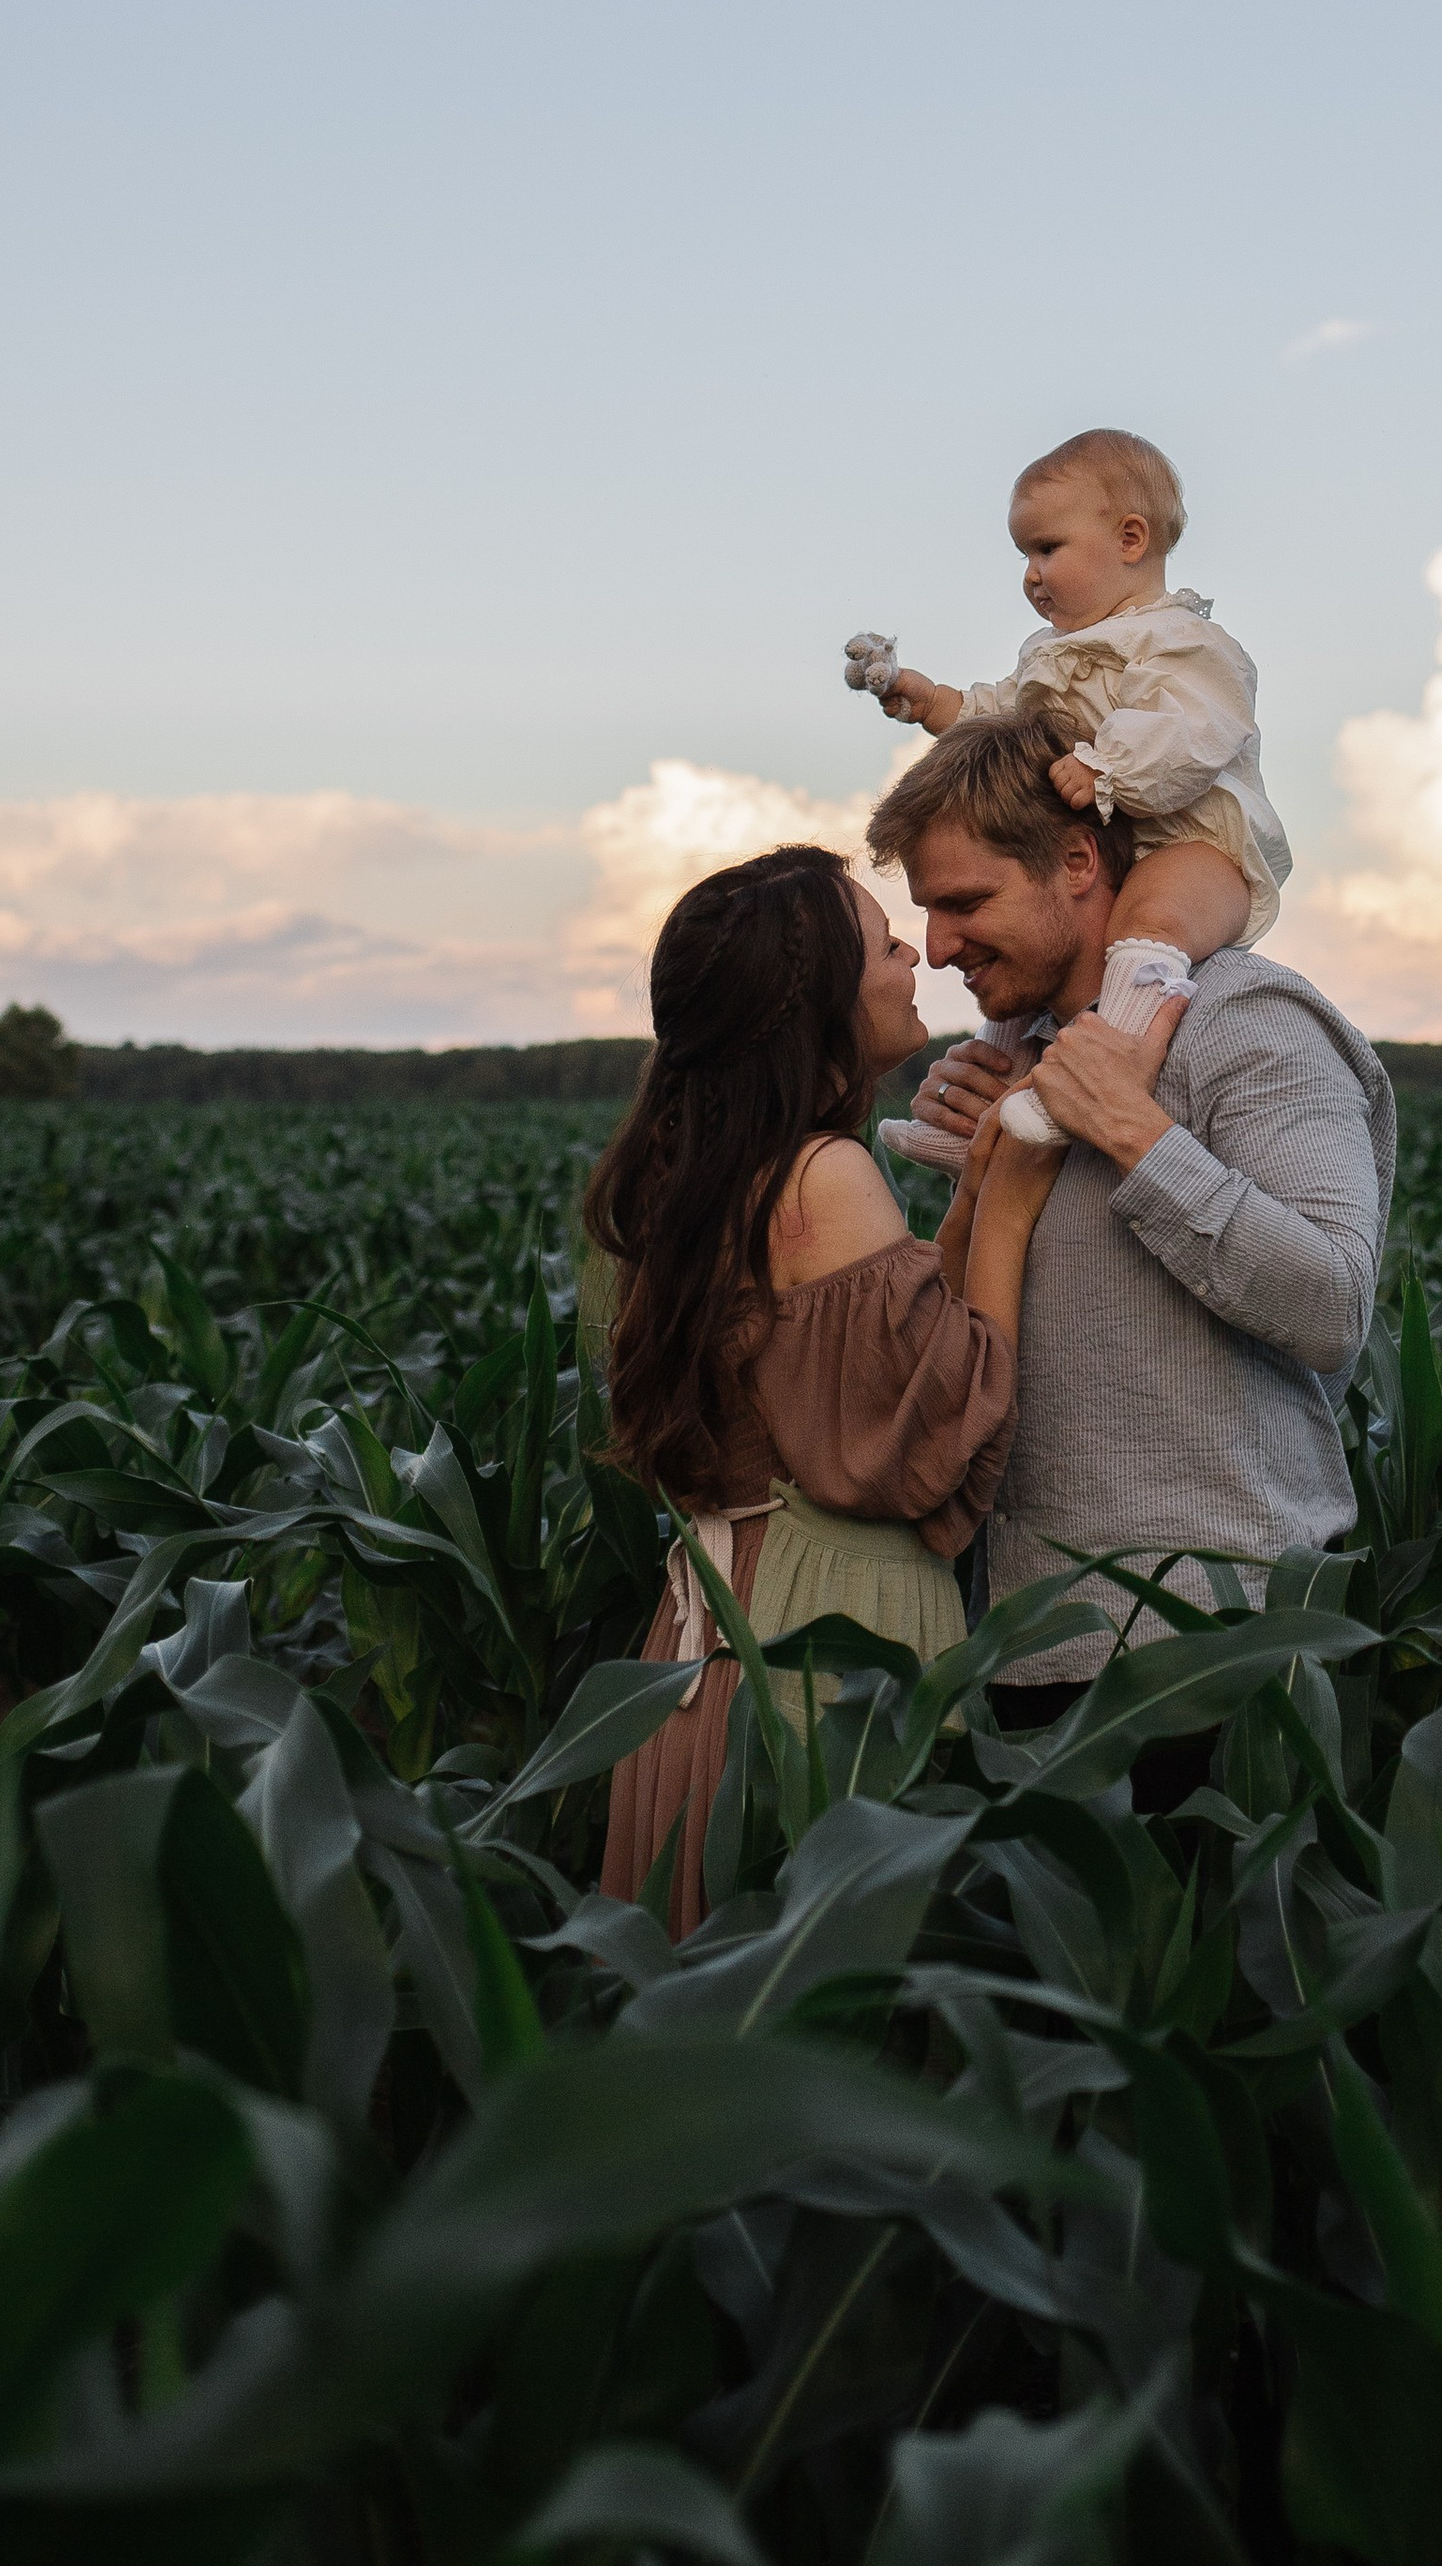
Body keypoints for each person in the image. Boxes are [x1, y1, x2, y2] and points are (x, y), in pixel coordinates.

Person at [863, 711, 1394, 1775]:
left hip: (1221, 1642)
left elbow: (1333, 1305)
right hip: (1029, 1643)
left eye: (966, 903)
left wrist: (1132, 1133)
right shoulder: (1023, 1055)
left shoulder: (1249, 1018)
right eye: (925, 911)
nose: (939, 947)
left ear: (1076, 862)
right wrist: (980, 1168)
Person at [590, 844, 1058, 1931]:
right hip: (824, 1650)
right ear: (818, 1001)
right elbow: (937, 1428)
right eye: (883, 944)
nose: (913, 957)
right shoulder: (822, 1174)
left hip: (706, 1645)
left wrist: (971, 1189)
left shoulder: (710, 1176)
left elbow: (882, 1357)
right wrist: (1018, 1197)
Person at [843, 425, 1292, 1162]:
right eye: (1024, 556)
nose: (1031, 575)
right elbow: (1005, 715)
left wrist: (1109, 767)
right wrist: (933, 701)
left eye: (1047, 549)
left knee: (1146, 926)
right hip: (1114, 843)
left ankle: (1099, 1078)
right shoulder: (1051, 657)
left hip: (1196, 846)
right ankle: (981, 1125)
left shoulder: (1182, 642)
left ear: (1130, 539)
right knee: (1026, 977)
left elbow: (1194, 728)